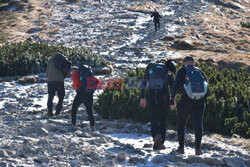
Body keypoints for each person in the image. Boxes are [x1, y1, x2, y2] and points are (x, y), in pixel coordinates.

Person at [170, 56, 209, 155]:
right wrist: (202, 99)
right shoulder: (200, 71)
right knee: (198, 125)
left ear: (184, 63)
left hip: (185, 100)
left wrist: (172, 99)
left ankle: (181, 148)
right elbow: (207, 89)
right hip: (199, 101)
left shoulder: (182, 71)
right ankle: (198, 149)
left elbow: (175, 86)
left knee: (181, 123)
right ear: (193, 63)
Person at [140, 59, 176, 150]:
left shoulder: (151, 66)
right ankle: (161, 141)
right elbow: (173, 85)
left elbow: (144, 82)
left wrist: (142, 97)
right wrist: (172, 99)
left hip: (152, 93)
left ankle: (155, 137)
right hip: (164, 94)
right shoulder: (168, 67)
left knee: (154, 117)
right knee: (163, 119)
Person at [70, 66, 99, 132]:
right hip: (89, 94)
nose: (71, 73)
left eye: (71, 71)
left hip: (81, 94)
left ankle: (73, 125)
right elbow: (97, 81)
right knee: (90, 110)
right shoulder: (87, 74)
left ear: (74, 70)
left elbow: (76, 83)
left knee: (74, 108)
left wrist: (74, 86)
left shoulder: (76, 74)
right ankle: (92, 126)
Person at [46, 52, 67, 116]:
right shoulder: (63, 60)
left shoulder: (50, 61)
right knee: (61, 97)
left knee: (50, 96)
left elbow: (47, 71)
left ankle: (50, 111)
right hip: (60, 81)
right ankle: (58, 111)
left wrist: (49, 77)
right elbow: (66, 70)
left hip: (50, 81)